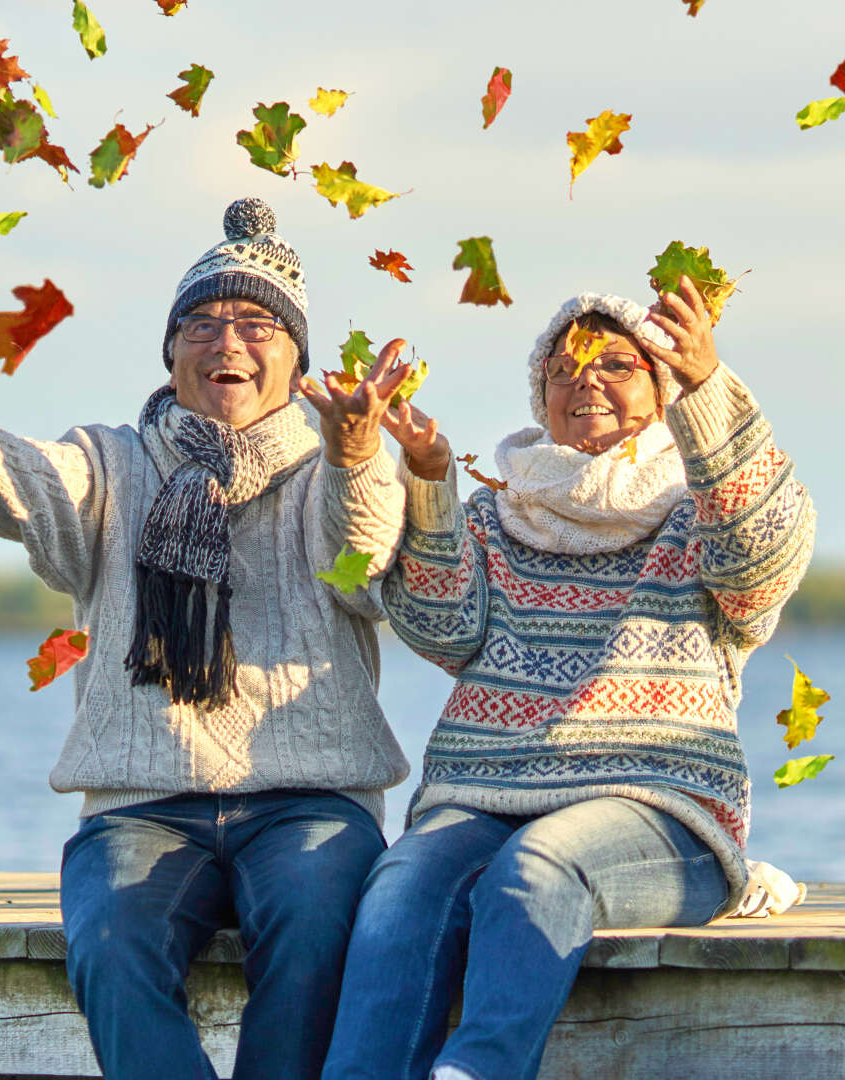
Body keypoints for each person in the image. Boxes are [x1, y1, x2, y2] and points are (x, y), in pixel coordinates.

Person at [0, 198, 416, 1080]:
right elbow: (2, 479)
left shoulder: (337, 464)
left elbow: (364, 558)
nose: (225, 341)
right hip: (143, 805)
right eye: (200, 322)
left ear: (297, 359)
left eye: (254, 323)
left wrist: (354, 455)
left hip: (311, 803)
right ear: (169, 352)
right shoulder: (112, 464)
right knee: (112, 946)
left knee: (320, 939)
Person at [321, 281, 816, 1080]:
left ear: (662, 390)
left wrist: (709, 388)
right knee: (398, 889)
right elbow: (442, 631)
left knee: (542, 864)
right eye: (566, 367)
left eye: (617, 362)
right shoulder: (496, 513)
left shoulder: (704, 511)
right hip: (486, 796)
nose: (586, 378)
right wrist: (430, 480)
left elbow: (761, 559)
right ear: (541, 395)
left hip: (661, 807)